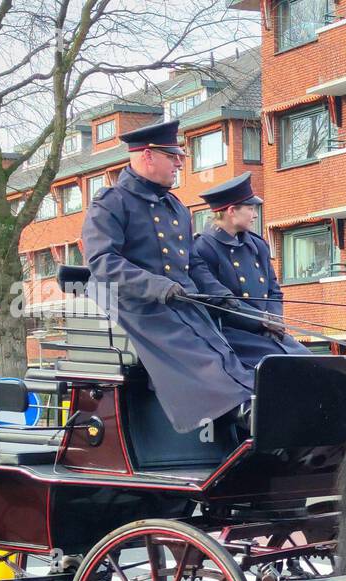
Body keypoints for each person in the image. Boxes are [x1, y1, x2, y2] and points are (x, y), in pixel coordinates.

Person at [80, 119, 254, 434]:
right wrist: (158, 286)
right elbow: (102, 262)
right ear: (148, 155)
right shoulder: (112, 202)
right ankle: (241, 409)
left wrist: (223, 298)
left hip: (180, 301)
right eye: (173, 156)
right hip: (135, 304)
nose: (179, 163)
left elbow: (193, 264)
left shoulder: (177, 207)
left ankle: (254, 398)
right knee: (194, 348)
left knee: (225, 340)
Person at [192, 172, 308, 365]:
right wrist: (261, 320)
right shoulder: (203, 248)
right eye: (250, 208)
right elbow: (217, 301)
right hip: (232, 335)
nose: (255, 215)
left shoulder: (256, 245)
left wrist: (274, 319)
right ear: (231, 211)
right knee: (283, 367)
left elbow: (273, 290)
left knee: (312, 363)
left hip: (267, 330)